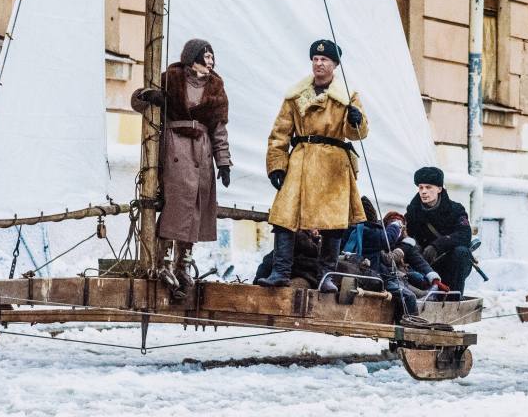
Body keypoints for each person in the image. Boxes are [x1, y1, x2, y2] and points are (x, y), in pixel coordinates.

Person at [256, 39, 369, 288]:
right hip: (301, 159)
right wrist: (277, 164)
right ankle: (280, 272)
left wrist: (355, 119)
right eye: (315, 60)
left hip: (334, 164)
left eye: (324, 60)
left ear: (334, 65)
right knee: (283, 216)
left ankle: (325, 277)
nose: (319, 64)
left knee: (333, 224)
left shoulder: (348, 97)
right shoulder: (295, 96)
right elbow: (280, 132)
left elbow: (358, 134)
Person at [131, 38, 232, 299]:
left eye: (212, 57)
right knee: (175, 206)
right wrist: (149, 96)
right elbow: (138, 102)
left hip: (202, 151)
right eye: (206, 56)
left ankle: (183, 263)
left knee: (196, 209)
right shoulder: (171, 79)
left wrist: (223, 162)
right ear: (192, 57)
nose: (210, 61)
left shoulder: (216, 87)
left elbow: (219, 129)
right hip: (175, 148)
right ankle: (164, 263)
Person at [406, 166, 474, 295]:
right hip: (425, 264)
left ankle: (454, 301)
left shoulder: (455, 209)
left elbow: (464, 235)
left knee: (461, 252)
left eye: (428, 187)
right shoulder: (413, 211)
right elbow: (408, 234)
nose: (423, 192)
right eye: (421, 187)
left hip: (452, 263)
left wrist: (437, 246)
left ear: (439, 189)